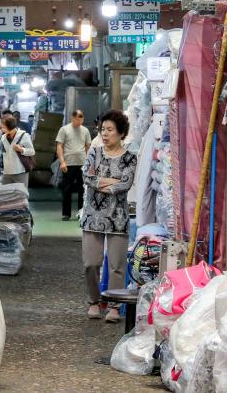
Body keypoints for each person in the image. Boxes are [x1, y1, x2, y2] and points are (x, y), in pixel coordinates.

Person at [81, 110, 137, 322]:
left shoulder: (130, 158)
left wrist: (102, 182)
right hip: (91, 216)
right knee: (91, 263)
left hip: (118, 217)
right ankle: (94, 301)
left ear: (121, 133)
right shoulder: (94, 153)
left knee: (116, 265)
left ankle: (115, 306)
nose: (105, 134)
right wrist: (110, 181)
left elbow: (125, 184)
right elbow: (87, 177)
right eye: (103, 129)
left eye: (110, 130)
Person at [55, 110, 91, 221]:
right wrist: (62, 161)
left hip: (82, 163)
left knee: (82, 189)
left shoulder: (85, 130)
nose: (79, 121)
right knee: (67, 189)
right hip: (68, 163)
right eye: (77, 119)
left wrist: (89, 163)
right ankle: (66, 213)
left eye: (81, 119)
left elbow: (88, 147)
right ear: (72, 118)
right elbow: (59, 146)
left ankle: (81, 212)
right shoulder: (64, 130)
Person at [0, 114, 35, 188]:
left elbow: (32, 151)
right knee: (5, 194)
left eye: (3, 127)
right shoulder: (3, 137)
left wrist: (21, 149)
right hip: (7, 171)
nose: (1, 129)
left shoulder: (23, 135)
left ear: (9, 126)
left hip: (20, 171)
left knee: (22, 194)